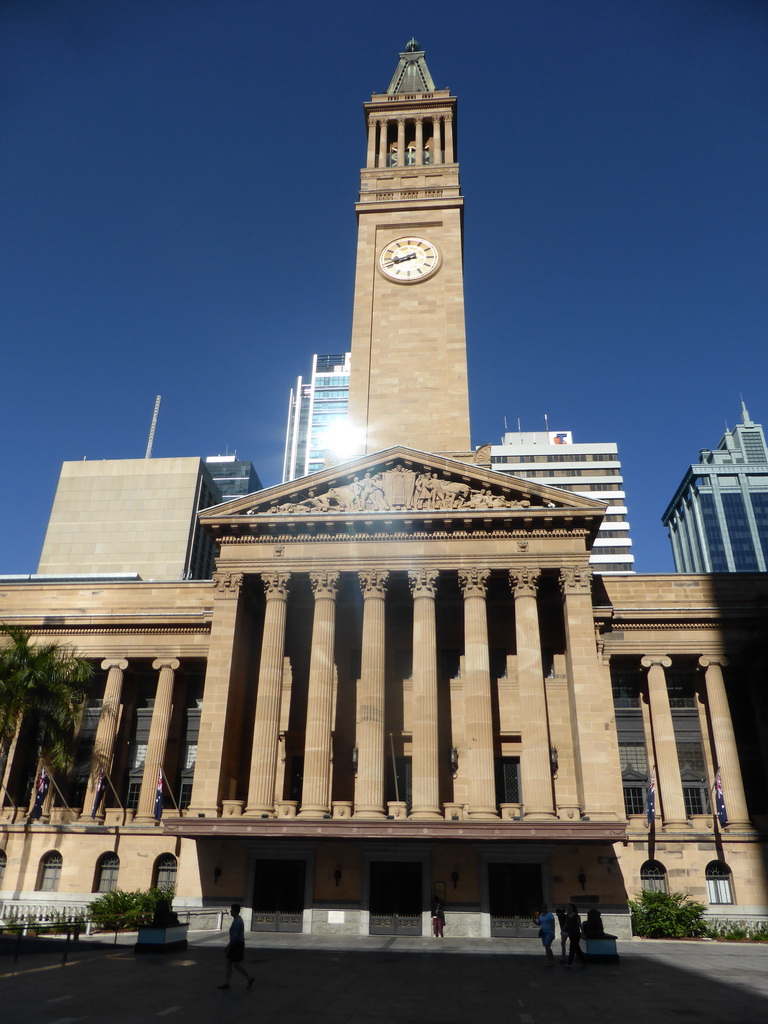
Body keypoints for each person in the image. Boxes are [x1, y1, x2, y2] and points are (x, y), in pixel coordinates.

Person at [219, 904, 255, 990]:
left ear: (235, 911)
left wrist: (228, 946)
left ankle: (249, 978)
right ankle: (228, 983)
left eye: (231, 910)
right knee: (230, 962)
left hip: (236, 945)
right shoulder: (237, 920)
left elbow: (235, 937)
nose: (230, 911)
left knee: (235, 964)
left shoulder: (238, 922)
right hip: (237, 944)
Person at [564, 902, 586, 968]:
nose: (567, 909)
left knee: (572, 947)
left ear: (572, 908)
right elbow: (566, 923)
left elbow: (580, 925)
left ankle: (569, 963)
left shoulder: (576, 916)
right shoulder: (567, 915)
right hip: (570, 933)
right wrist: (563, 930)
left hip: (576, 933)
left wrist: (583, 933)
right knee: (577, 948)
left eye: (568, 907)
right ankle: (584, 961)